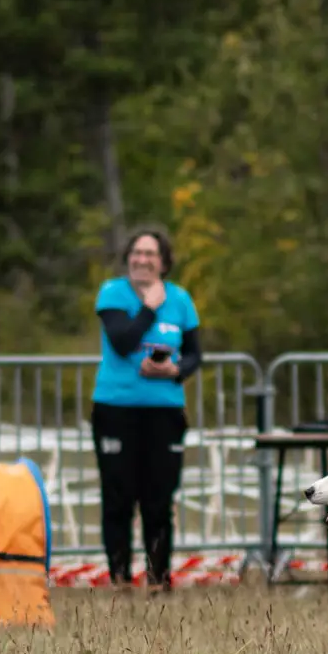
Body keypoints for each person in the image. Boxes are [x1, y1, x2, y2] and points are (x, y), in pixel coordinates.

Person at [91, 226, 202, 591]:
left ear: (163, 261)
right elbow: (123, 342)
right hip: (116, 409)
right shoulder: (113, 293)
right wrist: (149, 307)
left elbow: (195, 354)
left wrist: (175, 370)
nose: (142, 260)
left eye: (150, 254)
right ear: (127, 259)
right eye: (136, 253)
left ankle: (158, 578)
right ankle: (120, 578)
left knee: (158, 498)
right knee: (118, 496)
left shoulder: (181, 299)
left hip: (164, 412)